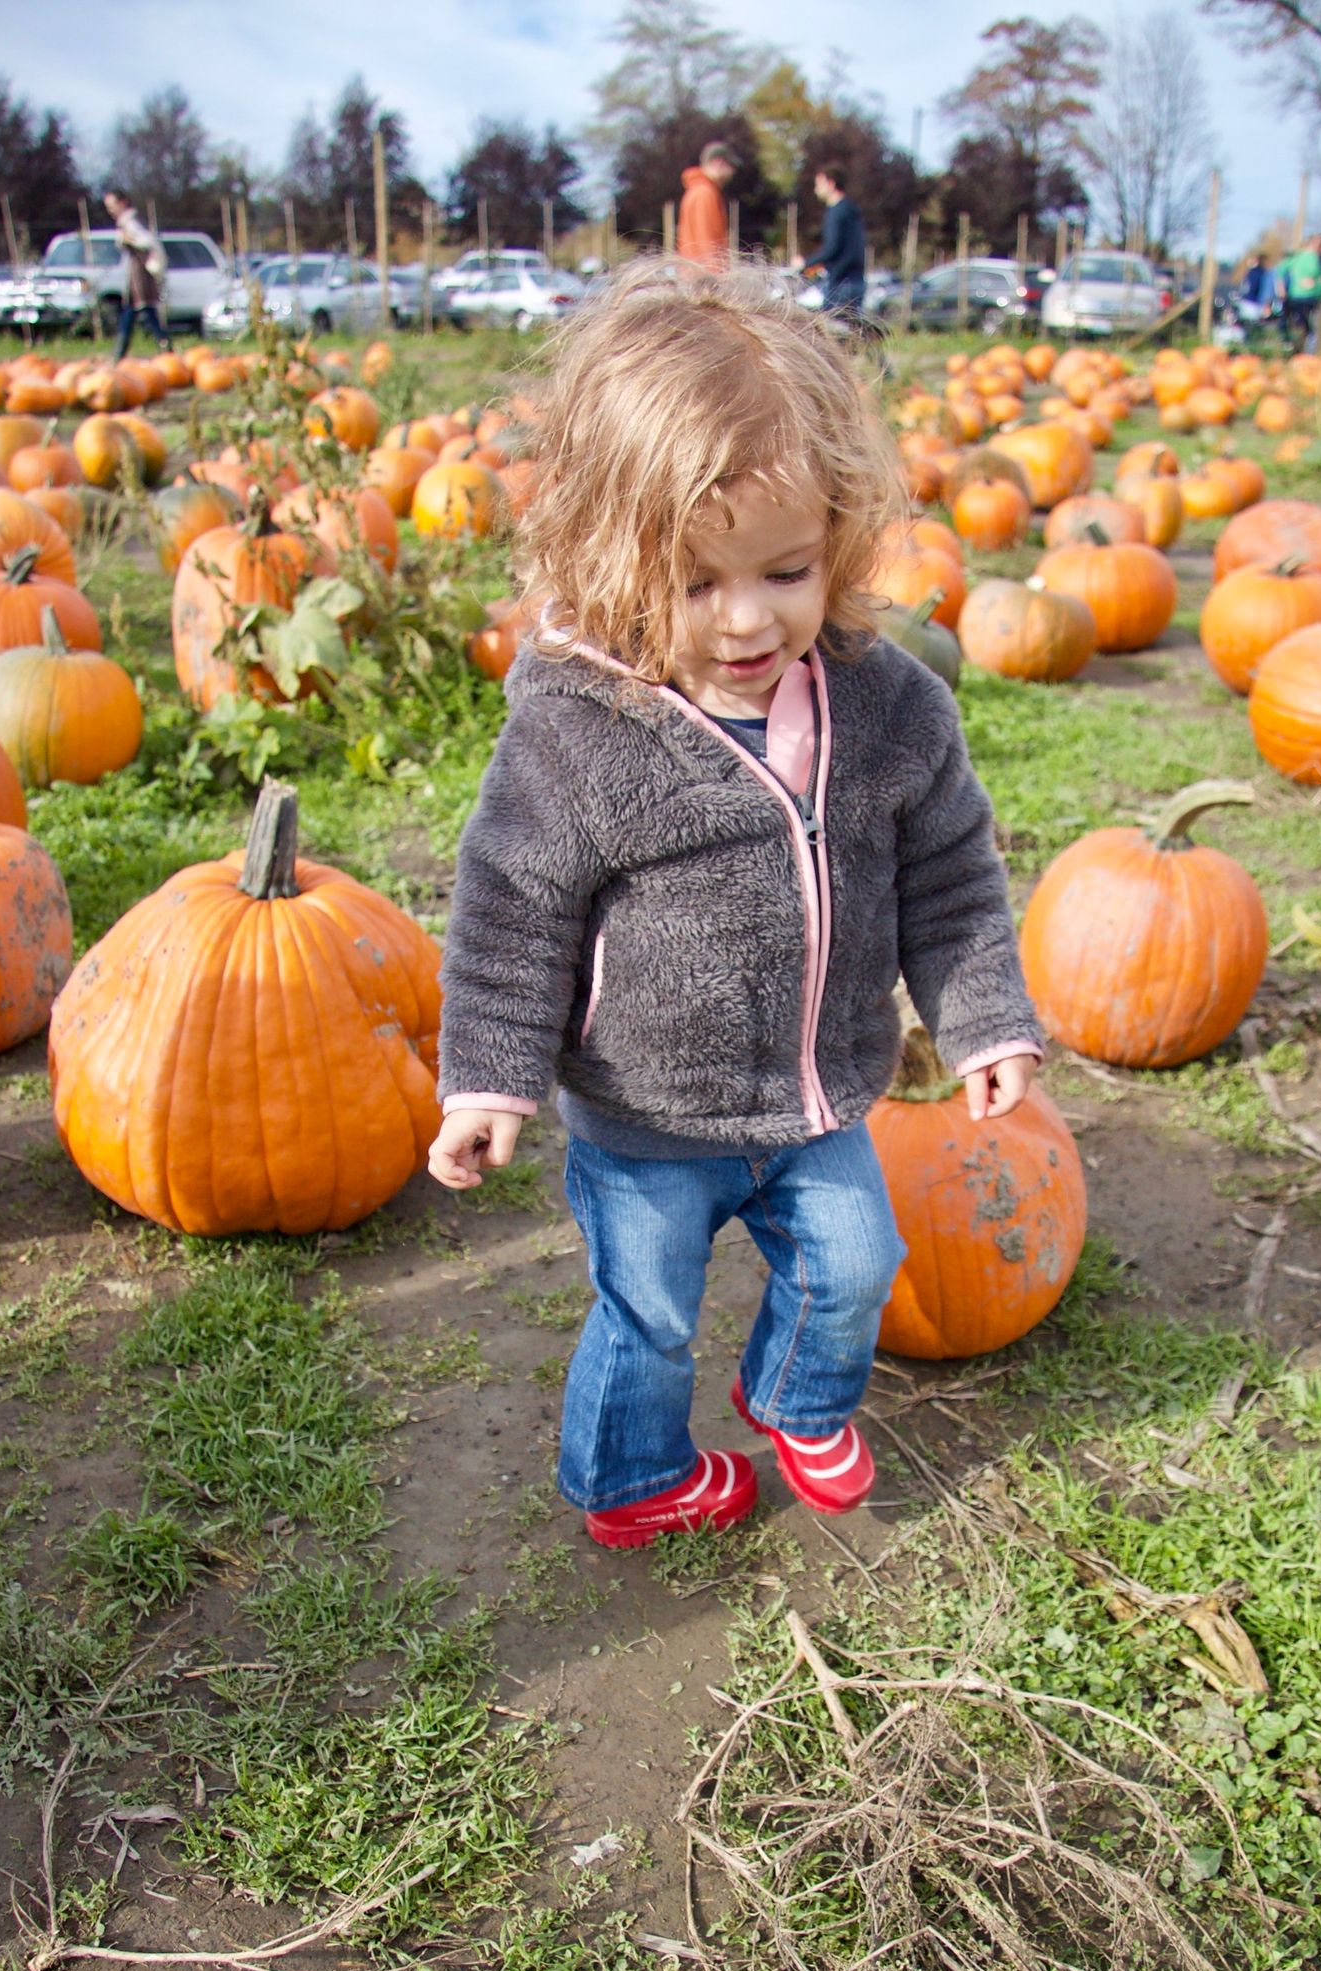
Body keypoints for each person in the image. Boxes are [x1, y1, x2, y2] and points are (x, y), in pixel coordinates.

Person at [429, 265, 1040, 1550]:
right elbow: (512, 911)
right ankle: (633, 1478)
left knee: (860, 1265)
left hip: (818, 1096)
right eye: (696, 583)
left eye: (788, 568)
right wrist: (489, 1079)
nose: (748, 619)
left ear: (843, 534)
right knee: (645, 1314)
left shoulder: (889, 708)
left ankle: (791, 1396)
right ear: (605, 558)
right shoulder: (581, 734)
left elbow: (952, 878)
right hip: (645, 1118)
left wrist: (985, 1020)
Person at [104, 191, 170, 358]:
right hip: (134, 274)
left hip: (141, 274)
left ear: (124, 202)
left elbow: (147, 242)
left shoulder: (131, 223)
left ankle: (163, 346)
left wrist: (128, 241)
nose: (111, 210)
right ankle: (161, 345)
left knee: (143, 307)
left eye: (113, 206)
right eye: (108, 207)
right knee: (136, 309)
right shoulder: (124, 223)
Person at [804, 163, 866, 316]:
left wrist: (805, 263)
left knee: (831, 334)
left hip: (840, 283)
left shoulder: (836, 212)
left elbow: (832, 248)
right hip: (856, 281)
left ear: (831, 183)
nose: (816, 189)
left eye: (819, 184)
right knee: (852, 334)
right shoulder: (851, 210)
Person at [677, 142, 736, 272]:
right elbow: (708, 240)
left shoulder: (697, 190)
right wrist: (717, 277)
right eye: (731, 166)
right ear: (718, 162)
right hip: (704, 279)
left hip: (696, 275)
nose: (732, 172)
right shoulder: (705, 193)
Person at [1277, 237, 1321, 352]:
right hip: (1297, 297)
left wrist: (1316, 285)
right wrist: (1281, 288)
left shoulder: (1319, 259)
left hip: (1314, 298)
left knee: (1311, 329)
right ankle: (1293, 350)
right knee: (1298, 326)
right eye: (1317, 244)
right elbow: (1280, 270)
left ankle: (1308, 354)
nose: (1319, 247)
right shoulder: (1298, 257)